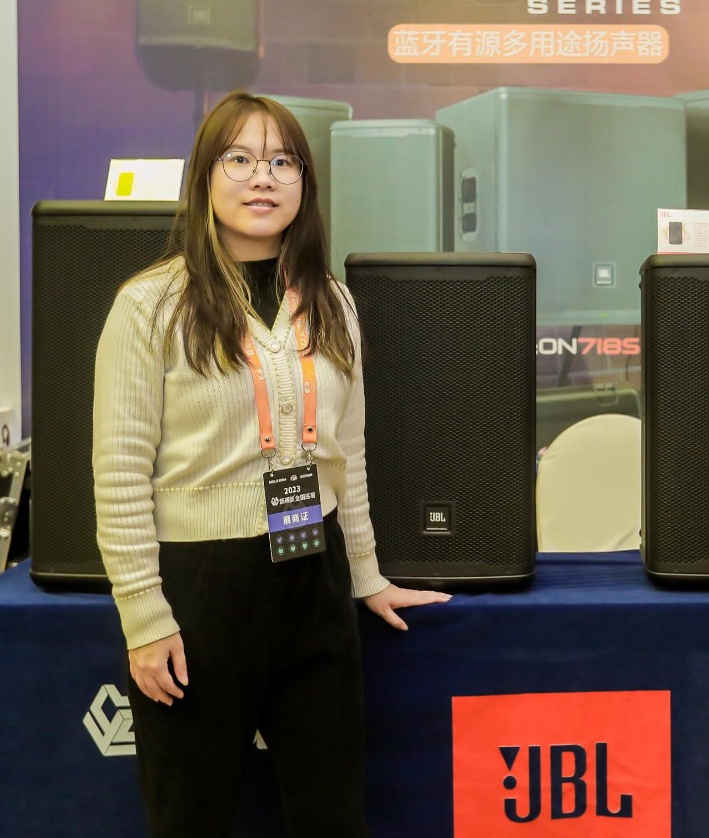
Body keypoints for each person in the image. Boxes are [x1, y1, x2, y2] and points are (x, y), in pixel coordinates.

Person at [93, 91, 450, 837]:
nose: (263, 178)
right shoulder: (149, 305)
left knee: (332, 817)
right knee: (190, 818)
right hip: (201, 588)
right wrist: (144, 618)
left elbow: (345, 456)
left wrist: (366, 575)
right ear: (204, 177)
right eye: (240, 159)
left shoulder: (333, 303)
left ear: (304, 185)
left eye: (283, 162)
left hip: (313, 578)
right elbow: (120, 473)